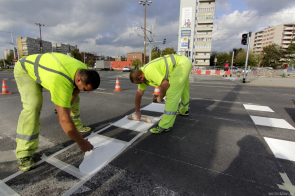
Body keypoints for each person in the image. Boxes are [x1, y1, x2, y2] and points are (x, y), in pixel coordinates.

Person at [14, 53, 100, 171]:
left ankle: (76, 126)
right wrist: (81, 142)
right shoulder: (60, 80)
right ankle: (24, 154)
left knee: (75, 99)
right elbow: (63, 119)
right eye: (85, 89)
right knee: (33, 107)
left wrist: (69, 102)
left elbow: (76, 89)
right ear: (78, 79)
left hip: (47, 70)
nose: (86, 92)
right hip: (26, 70)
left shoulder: (82, 70)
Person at [129, 54, 192, 134]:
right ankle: (184, 110)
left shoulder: (149, 71)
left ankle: (165, 125)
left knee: (171, 94)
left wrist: (160, 97)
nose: (139, 84)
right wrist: (137, 111)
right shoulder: (142, 76)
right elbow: (138, 96)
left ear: (141, 77)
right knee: (183, 89)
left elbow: (165, 85)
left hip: (181, 65)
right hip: (183, 62)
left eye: (138, 83)